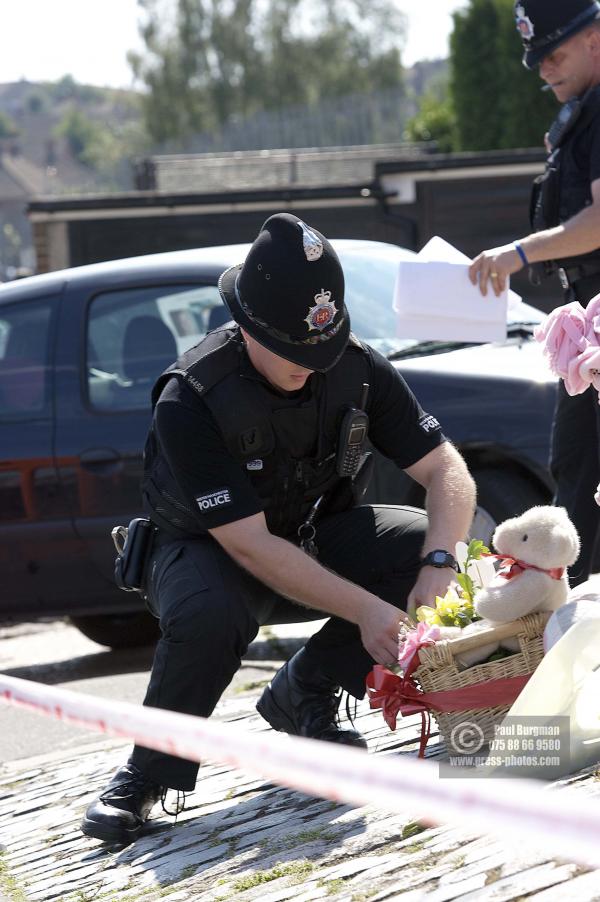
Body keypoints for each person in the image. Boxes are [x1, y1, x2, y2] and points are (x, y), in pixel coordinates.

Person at [81, 212, 476, 845]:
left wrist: (439, 565)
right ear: (245, 324)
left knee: (416, 546)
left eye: (320, 349)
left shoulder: (357, 367)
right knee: (210, 611)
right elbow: (248, 543)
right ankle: (147, 772)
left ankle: (305, 690)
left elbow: (446, 470)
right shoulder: (191, 397)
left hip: (310, 535)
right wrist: (372, 612)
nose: (311, 366)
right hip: (208, 552)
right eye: (295, 352)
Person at [469, 0, 600, 587]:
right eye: (538, 59)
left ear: (595, 38)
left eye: (554, 53)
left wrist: (517, 253)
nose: (544, 69)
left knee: (582, 474)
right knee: (578, 471)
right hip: (586, 317)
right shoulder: (584, 110)